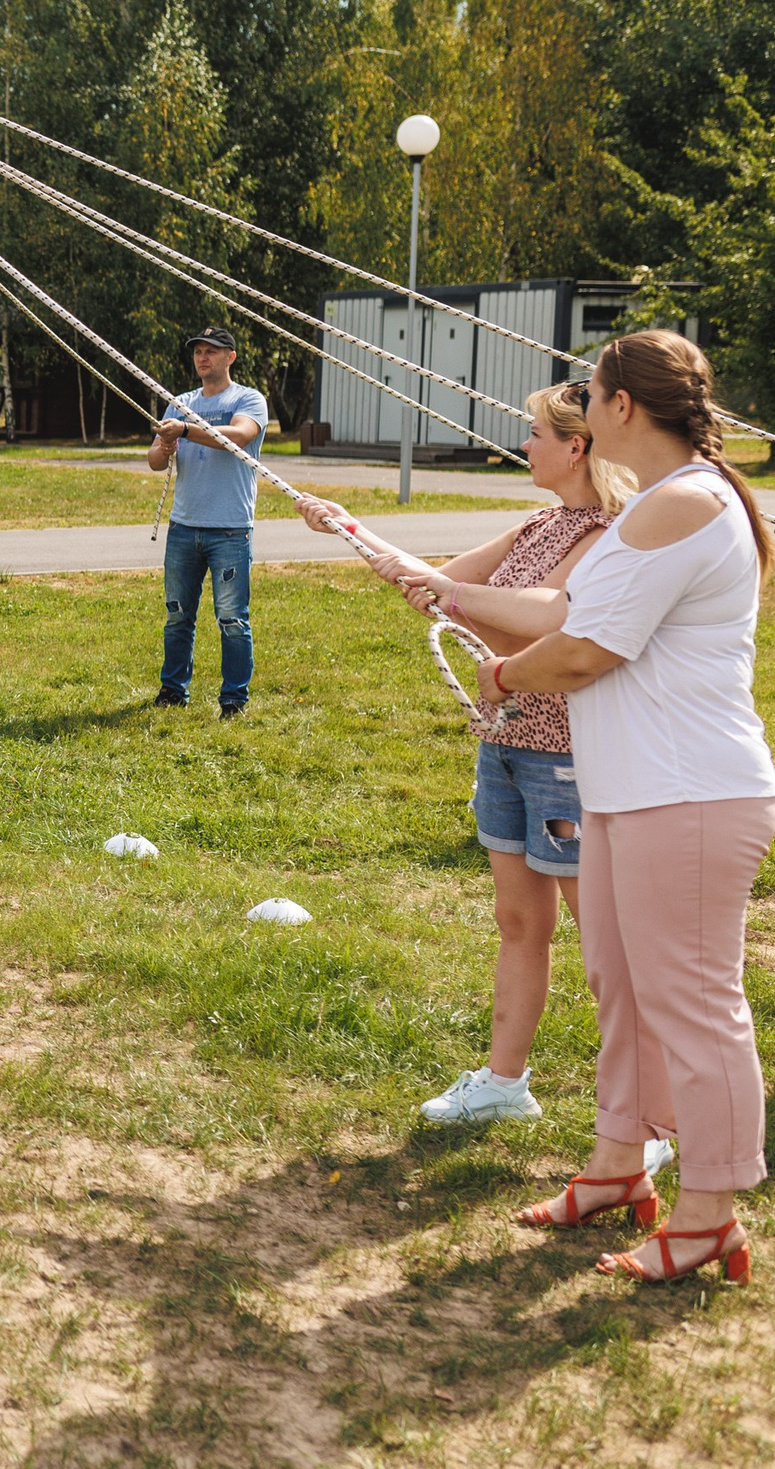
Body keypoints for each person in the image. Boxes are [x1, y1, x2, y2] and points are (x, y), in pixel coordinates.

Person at [478, 330, 775, 1284]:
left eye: (590, 389)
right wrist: (453, 594)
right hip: (628, 790)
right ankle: (618, 1165)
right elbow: (569, 615)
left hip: (686, 793)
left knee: (694, 1004)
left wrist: (501, 677)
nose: (579, 406)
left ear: (620, 409)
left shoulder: (684, 503)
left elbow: (584, 649)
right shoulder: (655, 503)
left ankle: (709, 1212)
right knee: (624, 987)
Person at [294, 383, 631, 1127]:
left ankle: (642, 1106)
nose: (527, 444)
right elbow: (439, 574)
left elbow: (547, 615)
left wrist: (451, 594)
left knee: (603, 939)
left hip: (564, 755)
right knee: (519, 922)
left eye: (536, 432)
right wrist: (347, 527)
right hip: (506, 745)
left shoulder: (609, 535)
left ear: (577, 446)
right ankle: (504, 1083)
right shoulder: (538, 523)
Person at [145, 327, 269, 718]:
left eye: (212, 351)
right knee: (177, 615)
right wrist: (166, 445)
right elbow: (154, 460)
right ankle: (172, 692)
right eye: (198, 351)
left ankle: (233, 702)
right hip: (184, 526)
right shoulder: (179, 402)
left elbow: (239, 436)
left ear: (230, 357)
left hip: (230, 529)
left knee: (232, 620)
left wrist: (185, 429)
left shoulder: (248, 399)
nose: (203, 357)